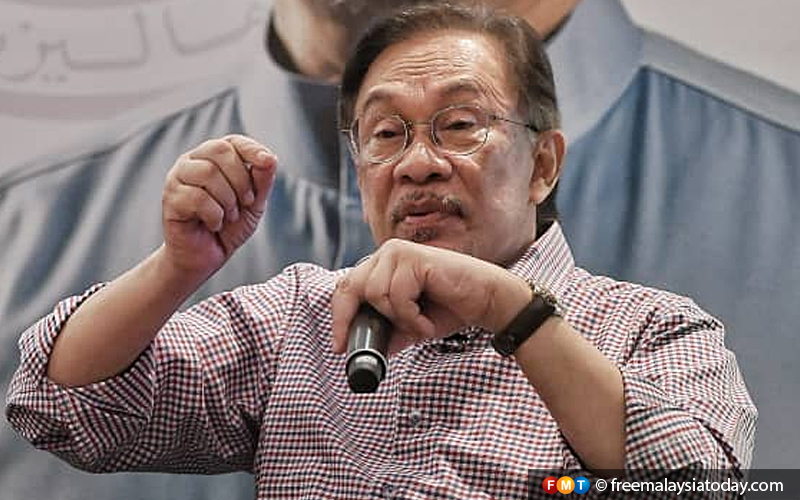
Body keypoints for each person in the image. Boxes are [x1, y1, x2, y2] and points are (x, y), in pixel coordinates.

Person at [6, 4, 756, 499]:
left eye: (458, 126)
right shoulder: (300, 317)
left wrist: (509, 309)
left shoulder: (652, 328)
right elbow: (62, 404)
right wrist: (177, 267)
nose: (418, 163)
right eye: (387, 134)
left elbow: (699, 481)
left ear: (543, 163)